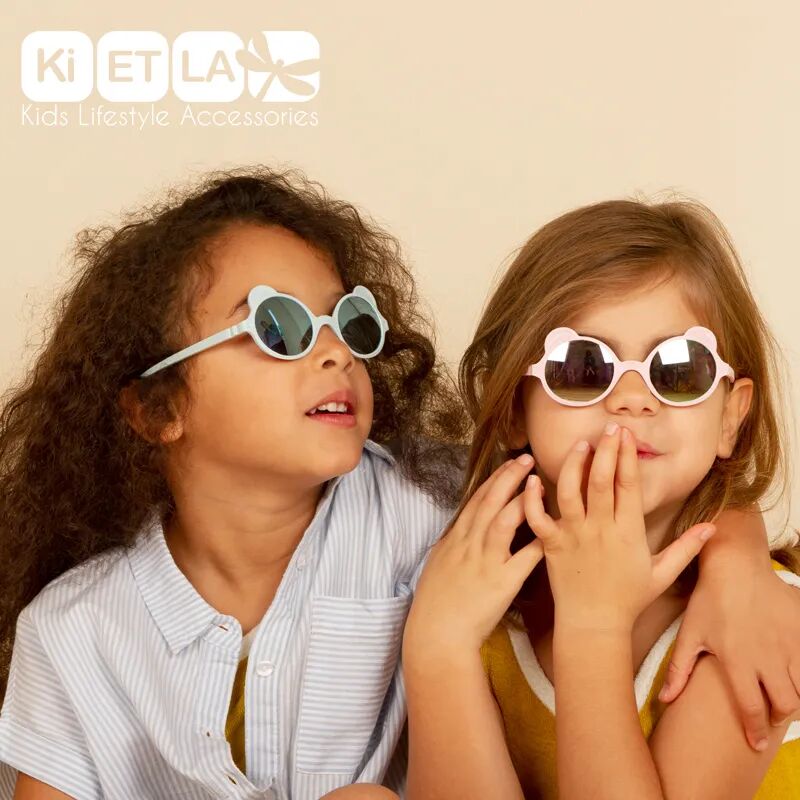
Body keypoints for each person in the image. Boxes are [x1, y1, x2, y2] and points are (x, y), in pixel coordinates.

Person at [403, 198, 800, 799]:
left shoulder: (744, 624)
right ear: (512, 407)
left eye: (679, 369)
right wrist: (438, 649)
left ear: (730, 418)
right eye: (584, 367)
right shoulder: (474, 600)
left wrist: (594, 627)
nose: (633, 398)